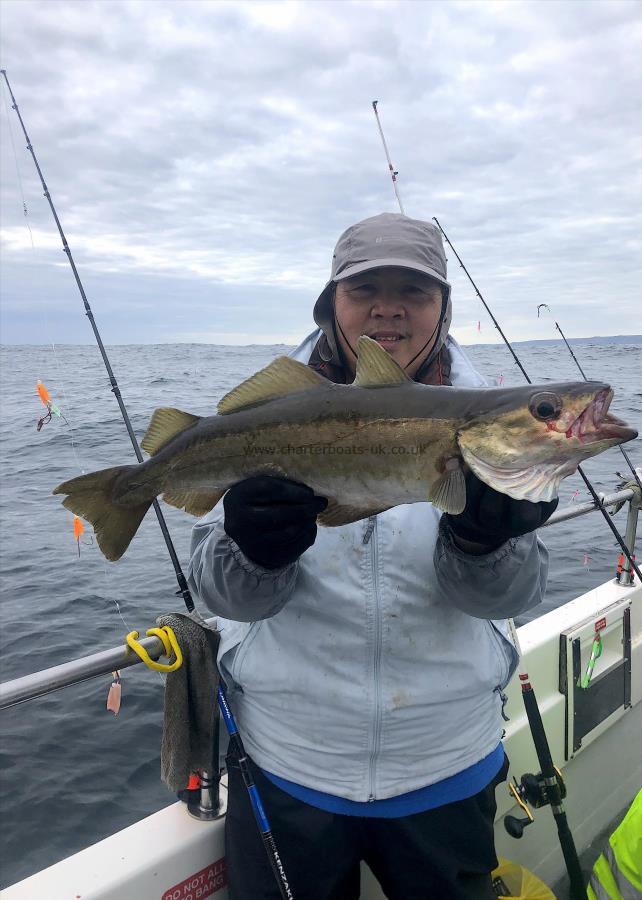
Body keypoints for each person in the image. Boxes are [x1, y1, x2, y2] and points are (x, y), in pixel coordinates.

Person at [188, 213, 558, 899]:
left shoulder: (496, 422)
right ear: (330, 302)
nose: (388, 306)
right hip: (288, 761)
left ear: (443, 310)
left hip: (445, 761)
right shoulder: (262, 415)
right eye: (365, 287)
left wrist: (482, 542)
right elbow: (222, 596)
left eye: (413, 291)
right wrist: (253, 552)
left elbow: (506, 600)